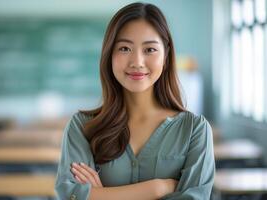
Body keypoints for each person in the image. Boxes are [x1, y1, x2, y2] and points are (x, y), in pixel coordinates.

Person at [55, 2, 215, 200]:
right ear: (109, 55)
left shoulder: (195, 130)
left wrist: (99, 195)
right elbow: (70, 195)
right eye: (124, 48)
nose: (137, 62)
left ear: (165, 55)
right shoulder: (82, 127)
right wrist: (157, 188)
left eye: (149, 49)